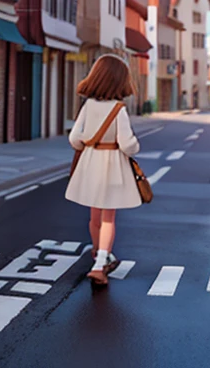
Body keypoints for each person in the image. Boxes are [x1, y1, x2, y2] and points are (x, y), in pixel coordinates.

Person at [65, 54, 141, 285]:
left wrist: (87, 144)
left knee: (95, 216)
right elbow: (128, 144)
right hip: (111, 165)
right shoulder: (119, 110)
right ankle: (100, 264)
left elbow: (74, 138)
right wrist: (135, 147)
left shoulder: (88, 106)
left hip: (90, 163)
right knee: (109, 218)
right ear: (120, 81)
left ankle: (100, 252)